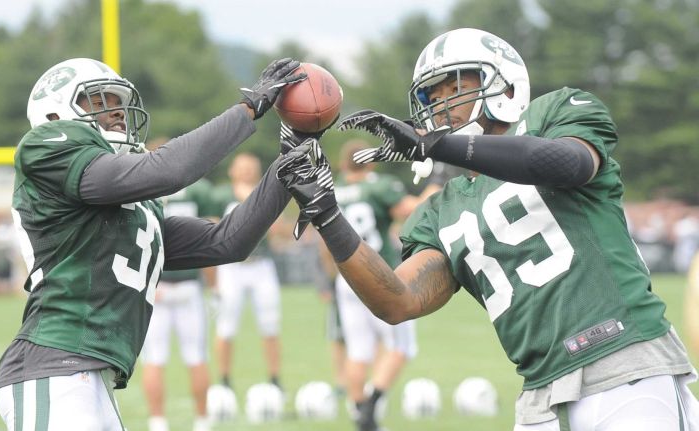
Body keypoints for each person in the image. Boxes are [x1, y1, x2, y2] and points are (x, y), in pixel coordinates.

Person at [277, 28, 699, 430]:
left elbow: (571, 164)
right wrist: (328, 215)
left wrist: (439, 144)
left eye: (455, 87)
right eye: (431, 95)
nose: (442, 104)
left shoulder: (554, 113)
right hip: (540, 397)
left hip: (627, 362)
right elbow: (397, 301)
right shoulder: (437, 211)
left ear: (507, 85)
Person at [0, 56, 307, 430]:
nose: (117, 112)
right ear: (54, 115)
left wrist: (291, 162)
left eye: (117, 100)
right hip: (52, 369)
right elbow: (169, 170)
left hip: (93, 379)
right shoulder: (45, 146)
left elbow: (228, 241)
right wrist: (248, 109)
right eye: (99, 101)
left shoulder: (129, 205)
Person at [323, 140, 419, 431]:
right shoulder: (379, 186)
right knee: (401, 347)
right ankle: (372, 403)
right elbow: (407, 209)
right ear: (371, 162)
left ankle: (360, 413)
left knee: (358, 351)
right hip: (381, 275)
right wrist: (435, 188)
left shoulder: (333, 191)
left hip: (347, 278)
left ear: (343, 164)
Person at [141, 178, 215, 431]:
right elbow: (209, 237)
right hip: (187, 285)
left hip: (156, 287)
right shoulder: (195, 190)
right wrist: (214, 286)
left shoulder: (143, 189)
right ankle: (202, 421)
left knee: (154, 358)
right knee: (196, 356)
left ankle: (157, 422)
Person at [212, 152, 284, 392]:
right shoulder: (220, 195)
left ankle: (275, 379)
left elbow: (280, 232)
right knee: (226, 325)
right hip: (231, 268)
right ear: (231, 170)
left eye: (250, 167)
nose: (245, 171)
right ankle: (224, 380)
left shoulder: (267, 192)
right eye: (241, 167)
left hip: (261, 264)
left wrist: (258, 202)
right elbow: (208, 231)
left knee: (270, 324)